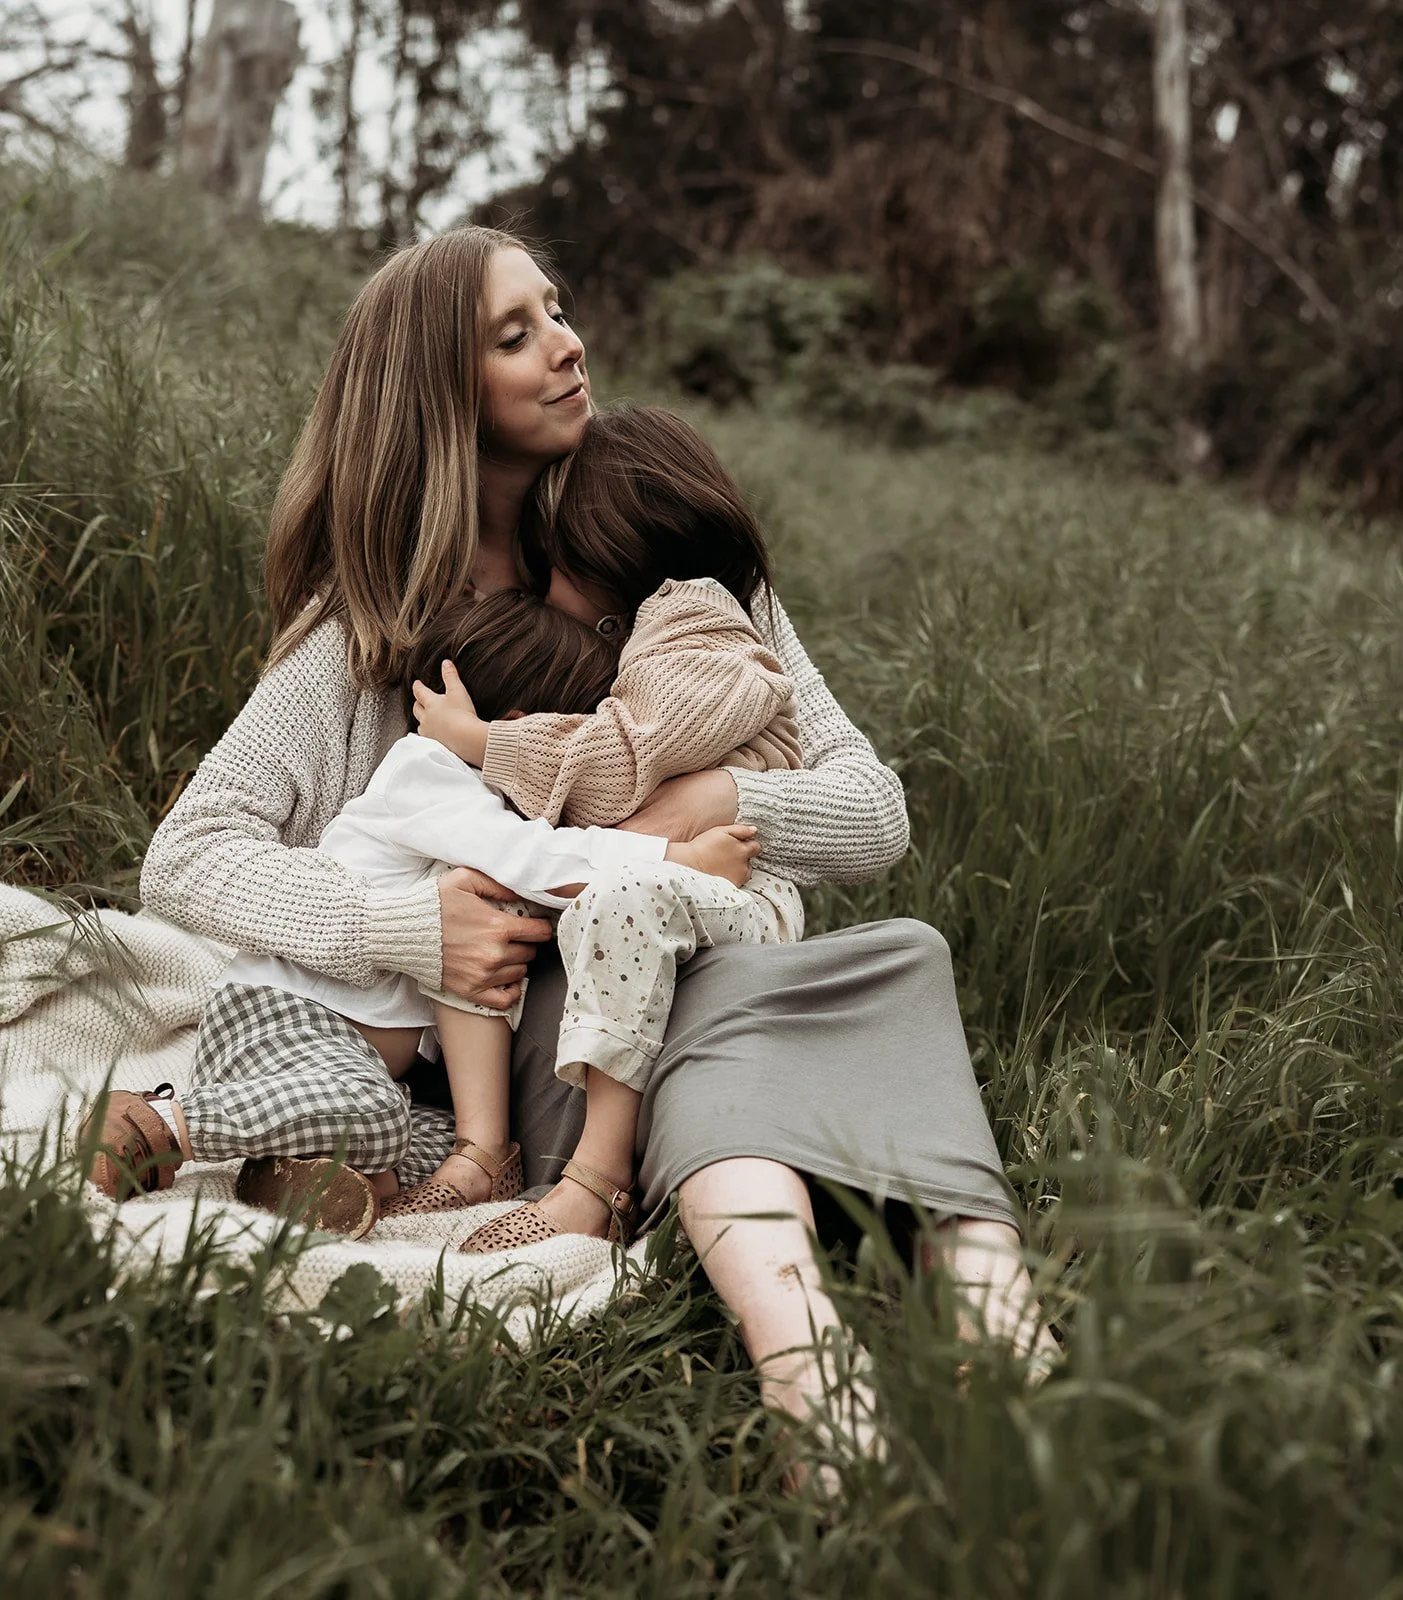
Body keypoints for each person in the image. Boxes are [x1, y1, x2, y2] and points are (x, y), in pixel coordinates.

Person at [95, 225, 1056, 1464]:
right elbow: (187, 854)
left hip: (702, 963)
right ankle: (840, 1382)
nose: (567, 343)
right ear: (441, 397)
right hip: (550, 1045)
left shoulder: (659, 543)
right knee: (763, 1008)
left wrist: (700, 807)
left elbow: (871, 810)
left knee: (861, 964)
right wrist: (404, 927)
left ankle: (984, 1378)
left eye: (555, 310)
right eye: (517, 333)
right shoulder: (371, 626)